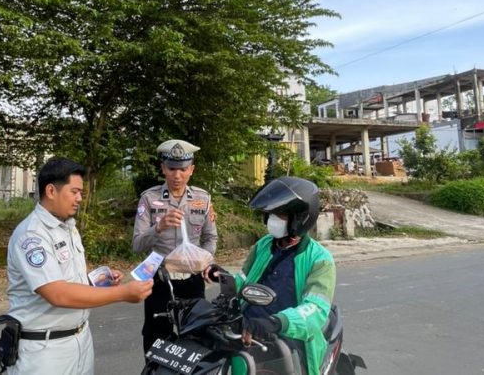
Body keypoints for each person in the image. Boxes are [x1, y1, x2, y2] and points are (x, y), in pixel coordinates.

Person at [6, 157, 153, 375]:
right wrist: (123, 293)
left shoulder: (67, 227)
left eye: (81, 193)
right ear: (51, 191)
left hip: (80, 340)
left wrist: (98, 280)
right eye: (74, 192)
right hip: (45, 350)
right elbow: (57, 293)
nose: (79, 198)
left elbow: (69, 277)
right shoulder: (32, 235)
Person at [203, 176, 335, 375]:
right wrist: (223, 276)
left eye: (280, 214)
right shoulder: (264, 245)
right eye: (271, 214)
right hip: (248, 330)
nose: (273, 219)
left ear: (300, 218)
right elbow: (245, 281)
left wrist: (276, 323)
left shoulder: (320, 259)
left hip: (288, 340)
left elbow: (315, 310)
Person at [133, 139, 218, 352]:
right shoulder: (149, 199)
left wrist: (205, 261)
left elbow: (211, 238)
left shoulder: (203, 199)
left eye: (183, 169)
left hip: (192, 281)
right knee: (156, 341)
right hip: (160, 281)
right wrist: (158, 227)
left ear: (191, 170)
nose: (177, 175)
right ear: (163, 168)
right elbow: (137, 244)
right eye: (171, 169)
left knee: (196, 341)